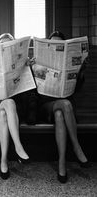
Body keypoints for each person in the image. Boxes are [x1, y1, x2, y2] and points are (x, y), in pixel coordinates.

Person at [34, 31, 90, 183]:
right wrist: (32, 68)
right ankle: (76, 146)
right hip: (45, 105)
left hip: (63, 107)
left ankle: (61, 163)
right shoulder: (39, 61)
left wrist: (81, 72)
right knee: (65, 104)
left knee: (60, 114)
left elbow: (76, 89)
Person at [0, 33, 30, 180]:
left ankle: (3, 160)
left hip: (14, 106)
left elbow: (28, 90)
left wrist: (28, 68)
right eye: (2, 44)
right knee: (6, 104)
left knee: (5, 111)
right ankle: (18, 146)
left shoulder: (21, 62)